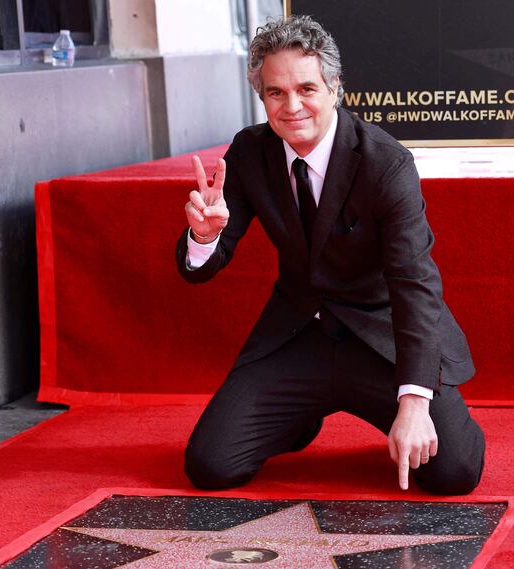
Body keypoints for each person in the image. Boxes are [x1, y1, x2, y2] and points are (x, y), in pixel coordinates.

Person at [175, 15, 485, 495]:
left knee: (453, 474)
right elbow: (206, 264)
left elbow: (414, 282)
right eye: (276, 92)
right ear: (261, 98)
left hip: (382, 339)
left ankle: (411, 414)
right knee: (210, 465)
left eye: (307, 88)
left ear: (335, 87)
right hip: (302, 334)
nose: (292, 105)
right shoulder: (249, 153)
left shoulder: (386, 163)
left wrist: (416, 402)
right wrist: (203, 237)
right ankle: (298, 419)